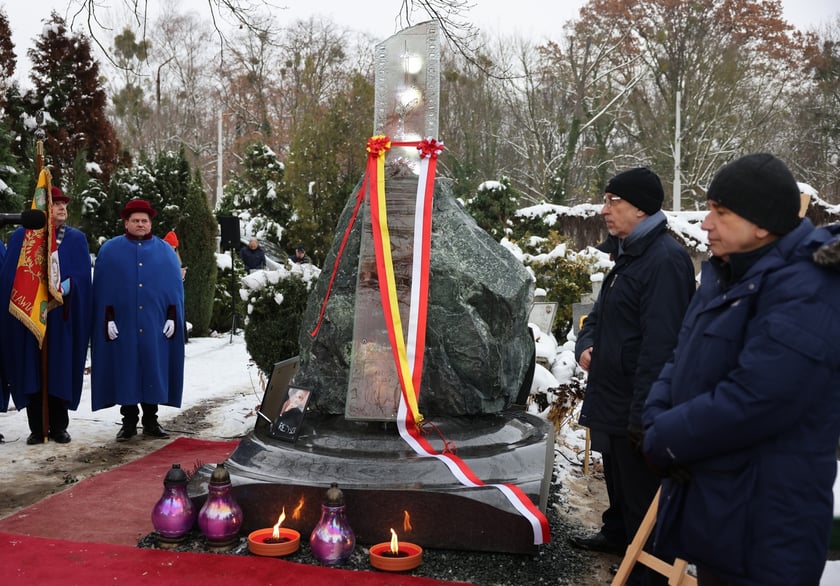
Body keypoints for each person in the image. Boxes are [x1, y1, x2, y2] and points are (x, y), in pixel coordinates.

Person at [642, 153, 840, 586]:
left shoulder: (809, 289)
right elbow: (682, 356)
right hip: (724, 512)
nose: (706, 224)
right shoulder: (727, 274)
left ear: (763, 224)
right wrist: (655, 418)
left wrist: (668, 438)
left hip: (767, 528)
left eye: (721, 212)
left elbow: (759, 398)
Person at [571, 168, 696, 584]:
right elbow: (600, 314)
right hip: (612, 391)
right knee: (618, 472)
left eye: (613, 201)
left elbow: (662, 346)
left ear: (640, 207)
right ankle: (619, 532)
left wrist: (646, 414)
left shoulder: (664, 261)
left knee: (642, 486)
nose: (604, 210)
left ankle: (646, 568)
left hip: (635, 397)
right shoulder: (628, 252)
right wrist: (586, 342)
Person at [0, 187, 92, 445]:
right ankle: (36, 427)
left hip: (61, 317)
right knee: (33, 371)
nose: (62, 208)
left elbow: (83, 276)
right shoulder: (22, 237)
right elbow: (10, 275)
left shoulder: (75, 239)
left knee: (58, 369)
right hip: (30, 316)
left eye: (64, 204)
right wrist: (30, 289)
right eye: (56, 205)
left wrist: (63, 287)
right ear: (43, 210)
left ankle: (59, 426)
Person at [90, 199, 185, 441]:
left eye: (144, 220)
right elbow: (102, 290)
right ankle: (128, 422)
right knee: (127, 370)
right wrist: (108, 319)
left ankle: (151, 420)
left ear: (150, 223)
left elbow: (174, 290)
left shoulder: (165, 251)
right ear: (126, 223)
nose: (140, 224)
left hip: (155, 324)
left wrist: (173, 317)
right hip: (124, 324)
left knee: (153, 368)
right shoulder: (110, 251)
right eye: (135, 220)